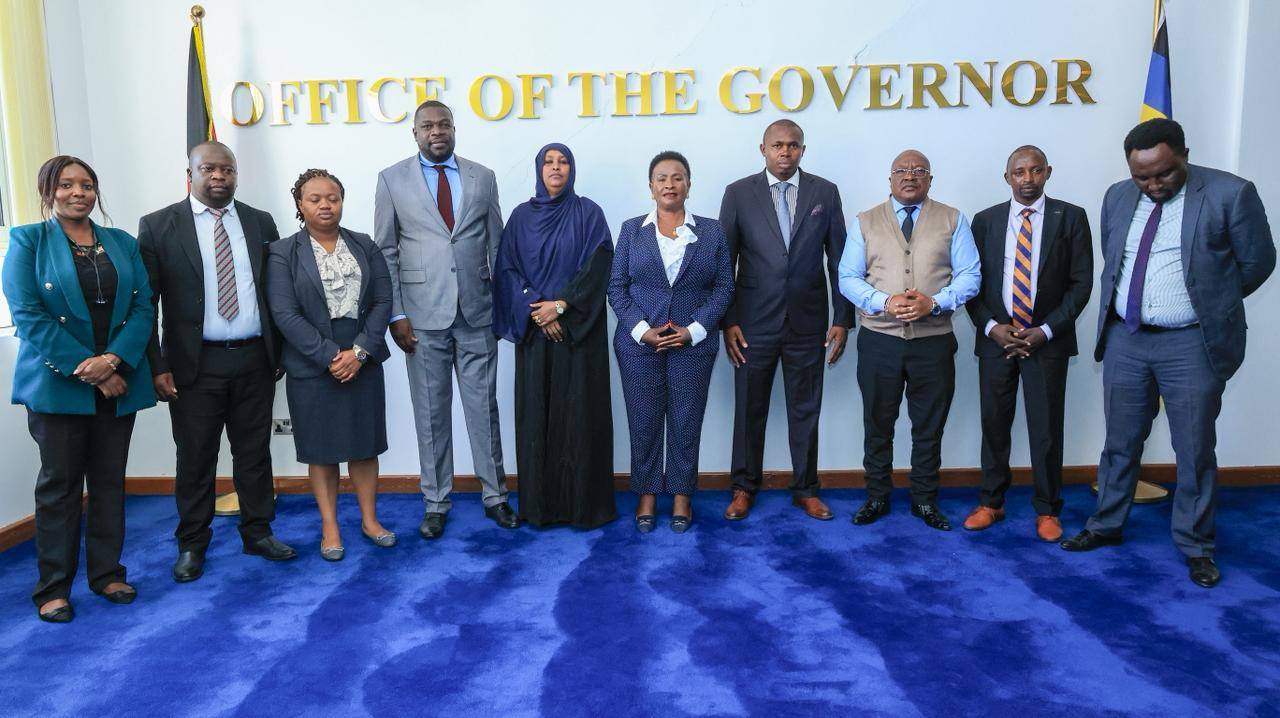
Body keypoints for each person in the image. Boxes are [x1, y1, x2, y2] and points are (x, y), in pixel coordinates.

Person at [1061, 119, 1276, 588]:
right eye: (1142, 176)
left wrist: (1211, 301)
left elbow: (1259, 262)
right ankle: (1106, 525)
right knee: (1119, 442)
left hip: (1191, 343)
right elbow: (1114, 258)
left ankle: (1197, 546)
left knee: (1194, 448)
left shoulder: (1229, 193)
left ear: (1184, 155)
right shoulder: (1117, 196)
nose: (1153, 185)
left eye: (1163, 173)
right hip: (1126, 338)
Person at [2, 156, 155, 622]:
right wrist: (87, 367)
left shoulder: (122, 243)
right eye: (66, 185)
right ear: (49, 191)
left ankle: (107, 574)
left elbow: (144, 307)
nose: (78, 193)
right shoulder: (27, 241)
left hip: (118, 381)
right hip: (59, 387)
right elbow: (29, 315)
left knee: (109, 483)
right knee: (60, 488)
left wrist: (112, 362)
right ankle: (53, 588)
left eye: (87, 185)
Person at [139, 140, 297, 583]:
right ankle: (192, 543)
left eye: (226, 169)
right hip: (194, 366)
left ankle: (258, 531)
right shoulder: (158, 226)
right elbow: (145, 304)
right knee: (195, 459)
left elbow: (275, 292)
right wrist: (157, 364)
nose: (219, 177)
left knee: (254, 453)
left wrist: (278, 350)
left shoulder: (259, 221)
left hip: (253, 359)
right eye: (208, 169)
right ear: (190, 173)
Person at [374, 100, 516, 538]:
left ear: (454, 129)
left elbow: (498, 246)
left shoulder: (482, 177)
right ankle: (436, 501)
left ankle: (495, 497)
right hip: (420, 318)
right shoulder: (392, 179)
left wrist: (502, 309)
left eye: (444, 124)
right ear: (414, 133)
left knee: (483, 409)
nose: (437, 131)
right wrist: (396, 314)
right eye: (427, 125)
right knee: (431, 415)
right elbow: (386, 251)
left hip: (476, 313)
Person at [838, 149, 981, 531]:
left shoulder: (953, 219)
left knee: (928, 425)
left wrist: (933, 303)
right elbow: (847, 277)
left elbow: (970, 276)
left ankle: (924, 499)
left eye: (919, 170)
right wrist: (885, 302)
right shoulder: (865, 221)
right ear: (890, 179)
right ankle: (877, 495)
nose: (910, 176)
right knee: (877, 422)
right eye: (901, 170)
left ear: (930, 179)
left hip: (933, 343)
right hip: (878, 342)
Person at [719, 119, 853, 522]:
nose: (785, 152)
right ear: (762, 149)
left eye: (793, 146)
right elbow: (725, 263)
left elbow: (839, 261)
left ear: (802, 150)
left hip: (808, 323)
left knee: (805, 409)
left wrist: (842, 318)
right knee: (749, 410)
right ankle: (744, 487)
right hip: (752, 325)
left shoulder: (824, 193)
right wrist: (728, 321)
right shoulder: (739, 193)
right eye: (777, 145)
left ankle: (806, 489)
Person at [963, 146, 1093, 542]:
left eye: (1036, 170)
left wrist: (1045, 331)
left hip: (1046, 343)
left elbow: (1081, 283)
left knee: (1046, 429)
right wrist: (991, 327)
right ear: (1007, 177)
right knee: (994, 425)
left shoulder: (1071, 217)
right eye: (1019, 172)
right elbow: (972, 283)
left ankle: (1048, 510)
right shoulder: (985, 221)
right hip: (996, 342)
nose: (1028, 178)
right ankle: (991, 502)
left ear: (1047, 172)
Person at [267, 169, 395, 560]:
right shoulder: (282, 252)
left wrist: (358, 353)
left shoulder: (364, 245)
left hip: (362, 359)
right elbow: (284, 313)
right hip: (312, 365)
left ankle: (370, 520)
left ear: (342, 201)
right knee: (321, 452)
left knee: (364, 446)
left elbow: (382, 301)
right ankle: (330, 527)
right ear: (299, 205)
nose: (325, 205)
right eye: (315, 199)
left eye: (333, 197)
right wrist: (329, 357)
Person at [608, 151, 734, 533]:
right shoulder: (631, 230)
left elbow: (724, 287)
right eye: (661, 178)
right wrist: (642, 330)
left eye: (677, 177)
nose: (669, 184)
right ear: (650, 187)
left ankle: (681, 495)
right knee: (644, 421)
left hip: (692, 345)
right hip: (639, 346)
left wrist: (694, 330)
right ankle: (646, 494)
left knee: (685, 420)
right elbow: (617, 286)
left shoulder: (712, 232)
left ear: (689, 185)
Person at [493, 144, 616, 529]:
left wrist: (561, 306)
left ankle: (584, 508)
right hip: (535, 335)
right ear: (538, 169)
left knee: (580, 419)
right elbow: (507, 271)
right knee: (537, 419)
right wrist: (538, 309)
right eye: (549, 162)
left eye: (563, 161)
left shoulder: (589, 214)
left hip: (578, 339)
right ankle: (541, 507)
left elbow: (598, 267)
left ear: (572, 169)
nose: (556, 167)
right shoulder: (520, 217)